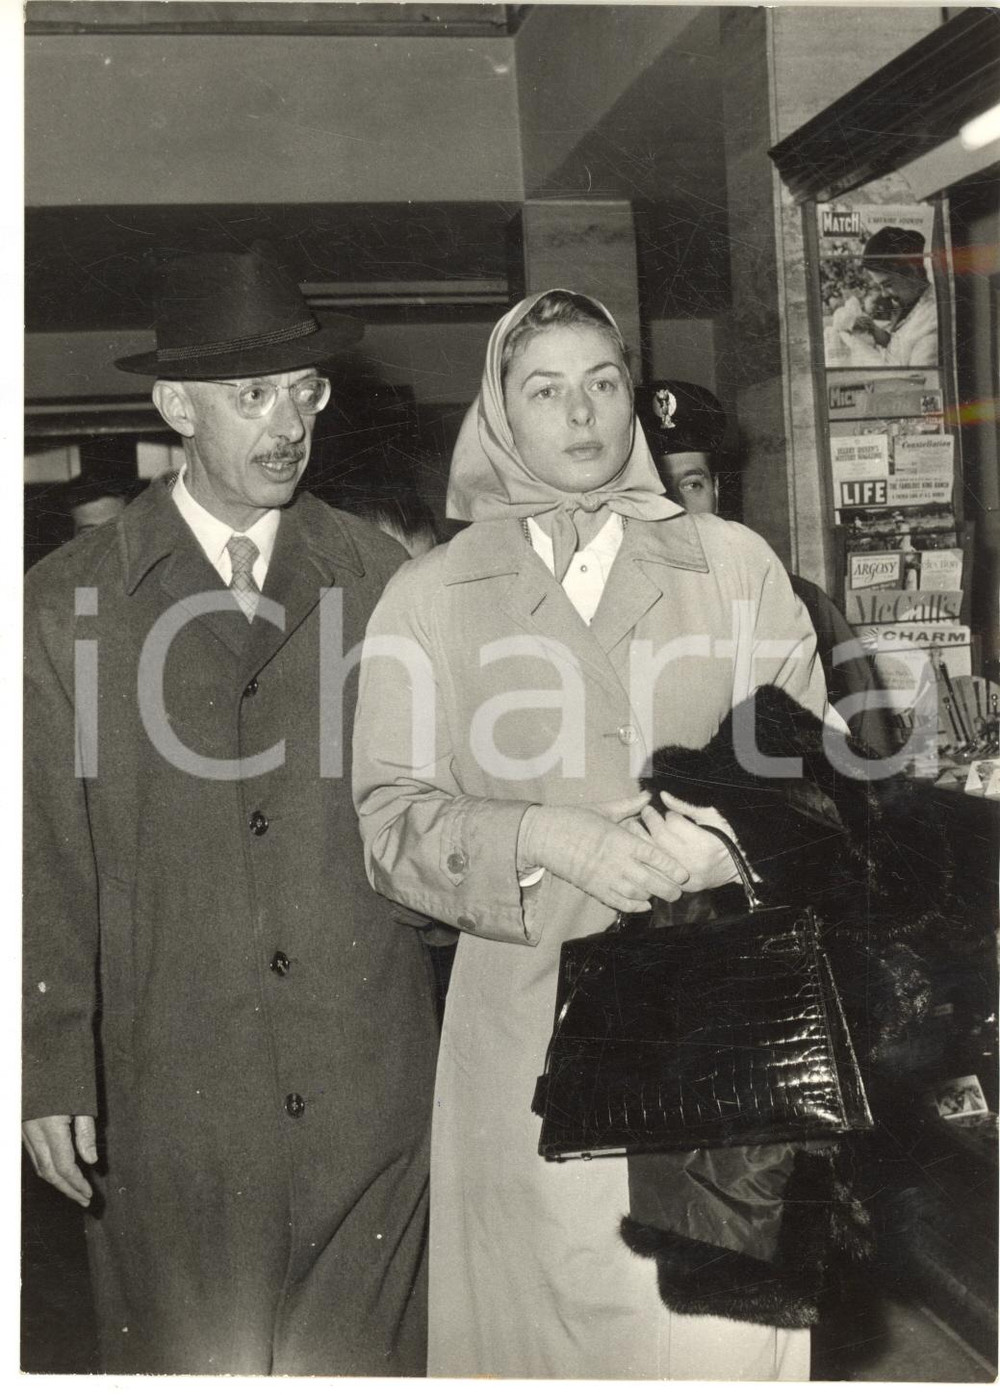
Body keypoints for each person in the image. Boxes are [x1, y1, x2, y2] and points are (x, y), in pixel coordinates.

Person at [352, 289, 831, 1379]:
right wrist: (545, 837)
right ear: (499, 413)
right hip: (528, 1022)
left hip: (722, 1022)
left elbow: (827, 769)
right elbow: (389, 821)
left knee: (712, 1336)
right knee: (547, 1332)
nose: (580, 414)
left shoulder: (733, 564)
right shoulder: (429, 596)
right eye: (545, 389)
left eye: (602, 383)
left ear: (631, 399)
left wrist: (731, 846)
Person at [22, 246, 438, 1376]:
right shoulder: (66, 602)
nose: (288, 424)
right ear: (175, 408)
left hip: (369, 1080)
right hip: (169, 1095)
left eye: (304, 390)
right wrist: (46, 1063)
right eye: (252, 394)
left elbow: (433, 803)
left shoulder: (382, 579)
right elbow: (40, 852)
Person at [636, 378, 897, 759]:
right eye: (658, 490)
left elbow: (869, 753)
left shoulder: (800, 600)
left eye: (692, 485)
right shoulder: (608, 606)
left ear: (717, 490)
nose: (677, 507)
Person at [836, 226, 937, 366]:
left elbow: (919, 375)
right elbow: (901, 346)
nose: (884, 294)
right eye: (880, 287)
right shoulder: (914, 305)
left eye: (888, 284)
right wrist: (873, 330)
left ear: (912, 272)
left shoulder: (931, 325)